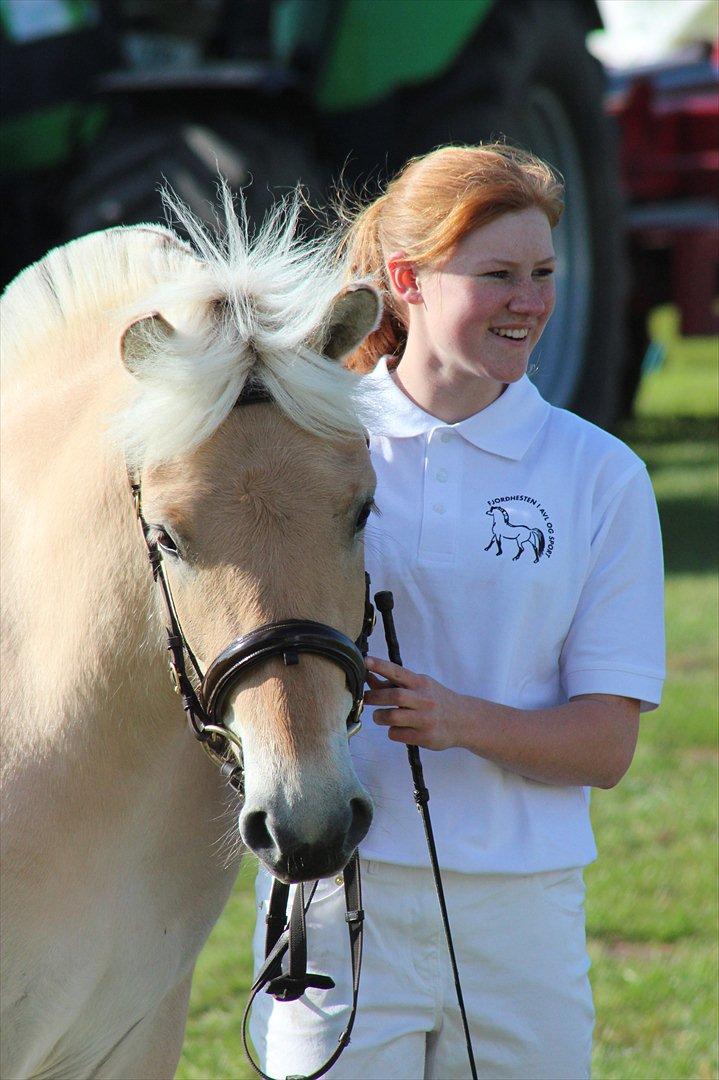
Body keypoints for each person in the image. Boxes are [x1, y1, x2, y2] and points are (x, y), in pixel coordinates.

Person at [250, 143, 665, 1080]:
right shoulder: (314, 448)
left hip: (522, 914)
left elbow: (606, 748)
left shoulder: (599, 476)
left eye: (542, 274)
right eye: (497, 275)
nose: (529, 301)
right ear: (407, 283)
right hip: (335, 897)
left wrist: (459, 720)